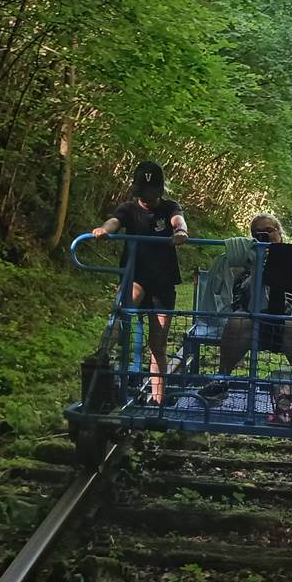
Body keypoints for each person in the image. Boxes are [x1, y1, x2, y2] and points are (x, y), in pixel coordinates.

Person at [92, 160, 187, 404]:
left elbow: (178, 220)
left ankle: (158, 398)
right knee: (124, 306)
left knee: (157, 343)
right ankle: (101, 355)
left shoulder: (169, 208)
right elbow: (114, 221)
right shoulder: (128, 208)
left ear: (159, 190)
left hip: (163, 281)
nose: (147, 196)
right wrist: (104, 230)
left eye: (152, 191)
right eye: (143, 191)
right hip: (136, 275)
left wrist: (180, 233)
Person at [217, 213, 292, 381]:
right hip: (249, 314)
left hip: (288, 315)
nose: (264, 236)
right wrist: (252, 262)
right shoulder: (247, 254)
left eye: (268, 231)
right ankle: (221, 380)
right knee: (236, 321)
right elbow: (228, 284)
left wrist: (287, 266)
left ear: (279, 233)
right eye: (257, 233)